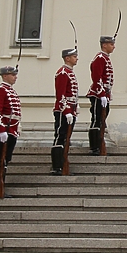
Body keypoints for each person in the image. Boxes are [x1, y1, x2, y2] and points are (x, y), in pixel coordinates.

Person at [0, 66, 21, 198]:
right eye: (12, 75)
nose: (15, 77)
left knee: (5, 159)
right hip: (3, 130)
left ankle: (0, 186)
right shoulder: (0, 90)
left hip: (11, 130)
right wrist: (0, 129)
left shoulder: (11, 92)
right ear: (5, 76)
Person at [52, 47, 79, 175]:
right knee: (60, 137)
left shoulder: (70, 72)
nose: (76, 58)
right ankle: (57, 166)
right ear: (67, 58)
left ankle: (63, 164)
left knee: (66, 138)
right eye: (74, 56)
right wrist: (66, 110)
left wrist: (75, 106)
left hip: (70, 109)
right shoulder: (63, 73)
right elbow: (61, 95)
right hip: (63, 110)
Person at [88, 35, 116, 154]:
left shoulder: (105, 58)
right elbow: (97, 77)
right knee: (96, 120)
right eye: (111, 44)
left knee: (101, 120)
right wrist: (101, 93)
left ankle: (99, 145)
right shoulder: (100, 58)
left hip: (104, 94)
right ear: (104, 45)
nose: (113, 47)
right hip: (98, 94)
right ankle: (94, 147)